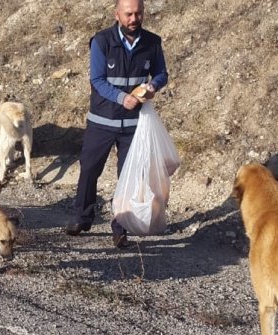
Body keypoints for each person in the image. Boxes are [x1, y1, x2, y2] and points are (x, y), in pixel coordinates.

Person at [66, 0, 169, 248]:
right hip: (102, 121)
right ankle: (82, 218)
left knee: (129, 177)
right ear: (117, 15)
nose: (134, 18)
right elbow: (98, 80)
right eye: (129, 14)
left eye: (138, 13)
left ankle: (120, 228)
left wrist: (153, 86)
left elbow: (162, 73)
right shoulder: (102, 41)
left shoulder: (152, 42)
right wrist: (123, 98)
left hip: (134, 125)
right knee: (89, 169)